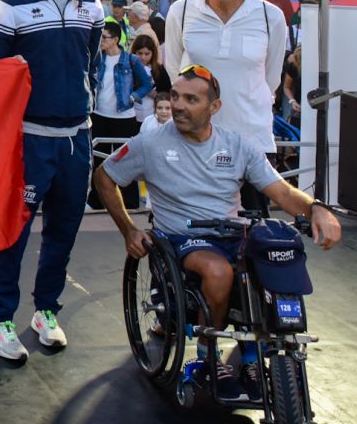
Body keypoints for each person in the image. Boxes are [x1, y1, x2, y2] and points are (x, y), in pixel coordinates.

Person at [94, 65, 341, 400]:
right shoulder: (149, 144)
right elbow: (104, 177)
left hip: (232, 233)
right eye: (176, 97)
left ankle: (256, 355)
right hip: (183, 239)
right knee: (218, 271)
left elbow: (282, 192)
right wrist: (129, 230)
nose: (178, 105)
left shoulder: (237, 145)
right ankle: (207, 356)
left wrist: (317, 209)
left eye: (191, 99)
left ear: (214, 107)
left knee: (276, 255)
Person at [0, 0, 105, 362]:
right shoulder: (11, 4)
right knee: (13, 233)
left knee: (63, 231)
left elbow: (90, 64)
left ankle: (46, 311)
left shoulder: (91, 3)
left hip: (76, 138)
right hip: (29, 138)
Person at [162, 0, 287, 210]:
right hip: (195, 141)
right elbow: (175, 72)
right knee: (195, 225)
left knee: (255, 228)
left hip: (253, 142)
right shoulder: (181, 11)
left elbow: (271, 79)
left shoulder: (271, 16)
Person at [88, 20, 153, 210]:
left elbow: (147, 84)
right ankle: (96, 201)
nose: (101, 40)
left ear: (115, 39)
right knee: (98, 159)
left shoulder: (131, 60)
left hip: (124, 117)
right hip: (99, 115)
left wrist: (133, 97)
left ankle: (129, 202)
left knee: (126, 159)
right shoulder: (97, 58)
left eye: (104, 37)